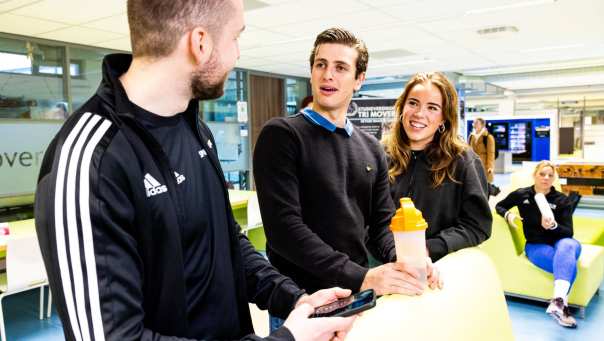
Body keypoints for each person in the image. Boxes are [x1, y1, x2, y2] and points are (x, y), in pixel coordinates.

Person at [33, 1, 357, 340]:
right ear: (200, 43)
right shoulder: (91, 161)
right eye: (235, 38)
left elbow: (226, 242)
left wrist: (295, 300)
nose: (236, 54)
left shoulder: (194, 129)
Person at [254, 28, 441, 306]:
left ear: (359, 80)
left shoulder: (371, 148)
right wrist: (362, 276)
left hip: (357, 297)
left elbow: (381, 223)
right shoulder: (282, 135)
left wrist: (410, 260)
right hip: (303, 300)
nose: (328, 75)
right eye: (321, 65)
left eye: (341, 67)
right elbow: (284, 230)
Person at [383, 72, 492, 262]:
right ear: (402, 108)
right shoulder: (380, 155)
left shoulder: (463, 162)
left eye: (432, 107)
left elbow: (477, 225)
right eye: (413, 103)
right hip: (381, 265)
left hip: (439, 269)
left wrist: (428, 249)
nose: (419, 113)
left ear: (444, 118)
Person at [496, 160, 579, 328]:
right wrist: (508, 216)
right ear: (535, 175)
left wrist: (553, 225)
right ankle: (560, 306)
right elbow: (500, 205)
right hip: (536, 246)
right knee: (570, 267)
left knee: (568, 245)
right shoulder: (522, 194)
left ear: (554, 178)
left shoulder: (562, 200)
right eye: (542, 174)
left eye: (550, 175)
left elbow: (568, 232)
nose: (546, 178)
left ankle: (558, 304)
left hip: (561, 241)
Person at [468, 118, 497, 194]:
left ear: (482, 125)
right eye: (474, 123)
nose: (474, 125)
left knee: (484, 187)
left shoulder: (488, 137)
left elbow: (491, 153)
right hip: (472, 164)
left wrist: (490, 167)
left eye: (476, 123)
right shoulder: (471, 136)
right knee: (474, 186)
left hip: (484, 165)